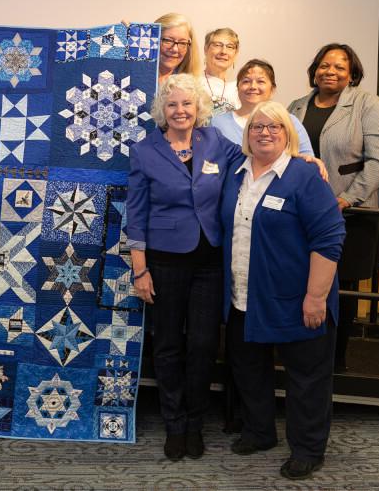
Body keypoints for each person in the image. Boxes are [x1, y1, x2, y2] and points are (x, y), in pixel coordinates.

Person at [220, 101, 346, 480]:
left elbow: (330, 237)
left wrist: (316, 297)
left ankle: (307, 449)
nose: (265, 133)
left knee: (306, 377)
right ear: (247, 134)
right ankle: (260, 432)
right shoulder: (234, 172)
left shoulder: (304, 176)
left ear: (289, 134)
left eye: (275, 126)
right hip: (244, 295)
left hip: (298, 300)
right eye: (257, 126)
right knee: (248, 368)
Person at [127, 73, 244, 461]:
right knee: (168, 346)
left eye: (187, 104)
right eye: (173, 104)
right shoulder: (145, 150)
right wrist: (140, 270)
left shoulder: (214, 141)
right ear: (163, 110)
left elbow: (257, 155)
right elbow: (136, 213)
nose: (180, 111)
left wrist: (302, 156)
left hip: (208, 260)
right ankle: (174, 424)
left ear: (199, 109)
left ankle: (196, 423)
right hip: (164, 262)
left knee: (203, 345)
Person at [288, 44, 379, 373]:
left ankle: (336, 362)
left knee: (342, 289)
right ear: (314, 70)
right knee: (305, 283)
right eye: (323, 65)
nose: (329, 71)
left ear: (352, 74)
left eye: (338, 66)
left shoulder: (366, 104)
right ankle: (306, 353)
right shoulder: (296, 106)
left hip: (352, 213)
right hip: (305, 214)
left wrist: (347, 198)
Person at [212, 59, 314, 155]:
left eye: (260, 81)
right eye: (246, 81)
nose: (253, 86)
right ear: (237, 88)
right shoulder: (218, 122)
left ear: (272, 89)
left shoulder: (289, 121)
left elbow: (307, 159)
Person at [199, 28, 240, 116]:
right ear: (206, 49)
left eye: (230, 47)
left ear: (235, 53)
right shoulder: (193, 84)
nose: (223, 51)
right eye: (217, 45)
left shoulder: (238, 90)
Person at [155, 13, 201, 85]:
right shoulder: (133, 78)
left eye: (182, 43)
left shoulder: (194, 86)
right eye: (168, 40)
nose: (175, 49)